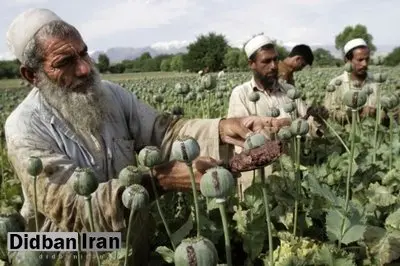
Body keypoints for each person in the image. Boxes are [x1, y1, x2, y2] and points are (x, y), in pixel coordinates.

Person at [4, 8, 291, 266]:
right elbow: (75, 207)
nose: (84, 68)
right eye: (65, 61)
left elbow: (164, 132)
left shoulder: (111, 95)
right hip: (70, 253)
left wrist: (223, 127)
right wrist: (159, 181)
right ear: (32, 74)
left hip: (132, 246)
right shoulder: (24, 127)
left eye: (84, 53)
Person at [227, 34, 325, 198]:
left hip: (288, 179)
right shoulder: (241, 94)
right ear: (252, 64)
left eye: (275, 59)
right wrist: (285, 125)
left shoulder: (288, 91)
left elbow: (308, 124)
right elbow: (241, 138)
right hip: (257, 184)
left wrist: (317, 119)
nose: (273, 66)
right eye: (266, 61)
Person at [323, 38, 379, 124]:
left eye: (367, 59)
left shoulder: (376, 81)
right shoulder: (335, 84)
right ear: (347, 60)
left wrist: (379, 113)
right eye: (360, 60)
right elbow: (329, 115)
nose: (365, 64)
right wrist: (358, 113)